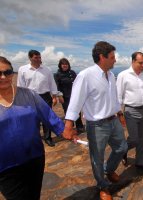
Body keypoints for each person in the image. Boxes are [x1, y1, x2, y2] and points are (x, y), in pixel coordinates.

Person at [0, 56, 73, 200]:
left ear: (12, 73)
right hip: (5, 165)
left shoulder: (28, 94)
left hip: (34, 158)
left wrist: (65, 131)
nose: (3, 77)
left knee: (34, 195)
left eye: (7, 72)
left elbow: (48, 115)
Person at [62, 41, 128, 200]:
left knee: (122, 147)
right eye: (112, 57)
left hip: (113, 121)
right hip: (97, 125)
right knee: (97, 157)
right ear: (101, 57)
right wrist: (68, 125)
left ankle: (109, 169)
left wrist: (119, 113)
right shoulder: (85, 76)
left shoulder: (111, 75)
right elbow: (75, 102)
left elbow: (113, 98)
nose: (115, 60)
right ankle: (102, 185)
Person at [116, 52, 143, 172]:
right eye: (140, 63)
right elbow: (118, 96)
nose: (142, 65)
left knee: (142, 138)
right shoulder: (123, 75)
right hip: (130, 110)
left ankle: (140, 162)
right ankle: (122, 151)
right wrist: (119, 114)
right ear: (133, 61)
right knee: (134, 139)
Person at [17, 50, 61, 147]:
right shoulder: (22, 69)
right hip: (30, 97)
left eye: (39, 57)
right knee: (33, 118)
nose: (38, 59)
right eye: (36, 57)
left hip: (45, 96)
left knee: (47, 118)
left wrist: (54, 96)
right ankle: (35, 138)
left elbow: (52, 84)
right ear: (30, 58)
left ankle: (48, 138)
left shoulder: (47, 69)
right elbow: (20, 85)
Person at [54, 58, 84, 133]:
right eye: (63, 64)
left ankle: (79, 126)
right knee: (68, 111)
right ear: (60, 65)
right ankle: (71, 127)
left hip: (74, 95)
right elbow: (57, 86)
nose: (65, 66)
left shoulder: (72, 72)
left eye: (66, 64)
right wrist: (59, 96)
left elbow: (77, 83)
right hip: (64, 96)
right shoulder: (57, 74)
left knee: (77, 111)